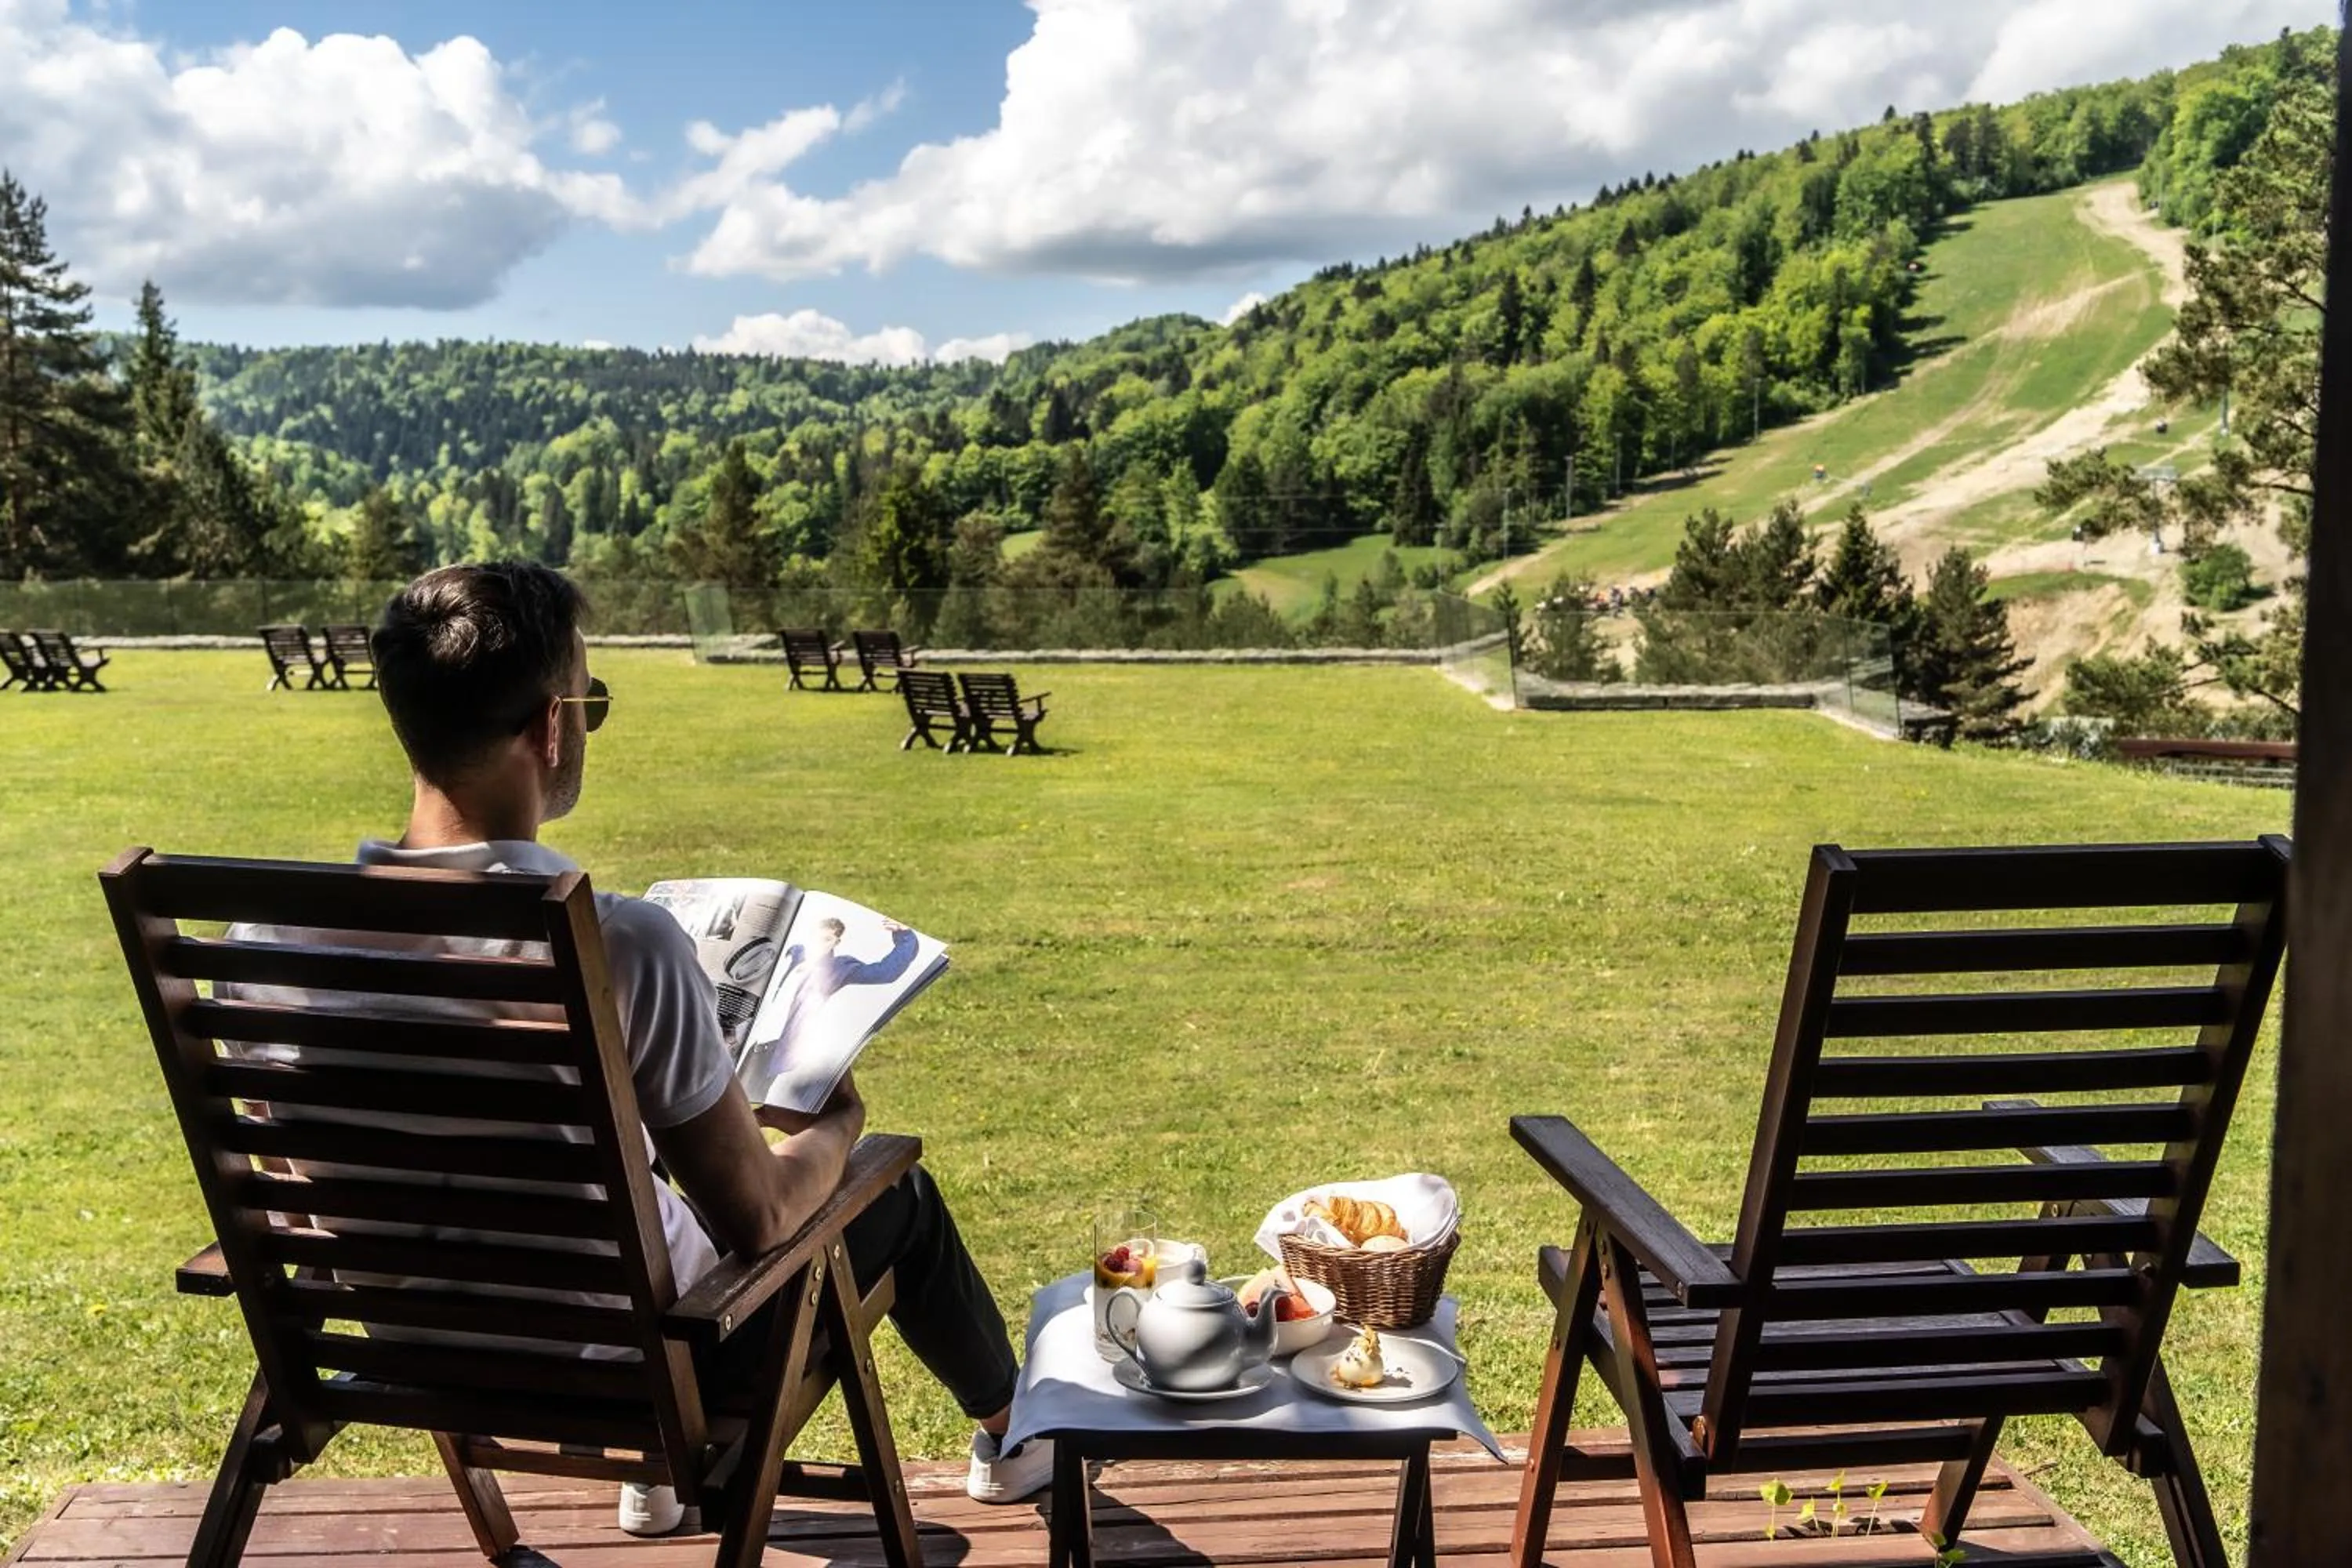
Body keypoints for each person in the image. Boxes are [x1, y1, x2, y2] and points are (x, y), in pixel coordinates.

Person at [260, 563, 1051, 1529]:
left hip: (416, 1355)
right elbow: (761, 1219)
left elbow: (294, 1212)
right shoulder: (618, 944)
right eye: (589, 702)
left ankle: (658, 1478)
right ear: (552, 727)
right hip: (655, 1364)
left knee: (646, 1163)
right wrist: (840, 1124)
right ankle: (1013, 1434)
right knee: (898, 1192)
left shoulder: (265, 947)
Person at [739, 916, 919, 1094]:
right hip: (749, 1038)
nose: (819, 944)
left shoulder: (837, 968)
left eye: (827, 939)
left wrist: (905, 936)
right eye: (816, 937)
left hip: (772, 1049)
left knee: (745, 1098)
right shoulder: (795, 953)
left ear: (836, 942)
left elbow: (885, 972)